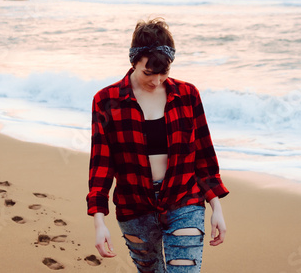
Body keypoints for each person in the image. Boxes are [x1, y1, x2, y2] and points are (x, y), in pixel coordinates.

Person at [86, 17, 229, 272]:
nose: (157, 81)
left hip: (183, 199)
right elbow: (101, 165)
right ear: (134, 62)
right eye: (148, 73)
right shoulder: (106, 101)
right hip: (134, 207)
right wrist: (99, 222)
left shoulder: (188, 95)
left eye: (165, 72)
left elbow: (204, 155)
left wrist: (216, 206)